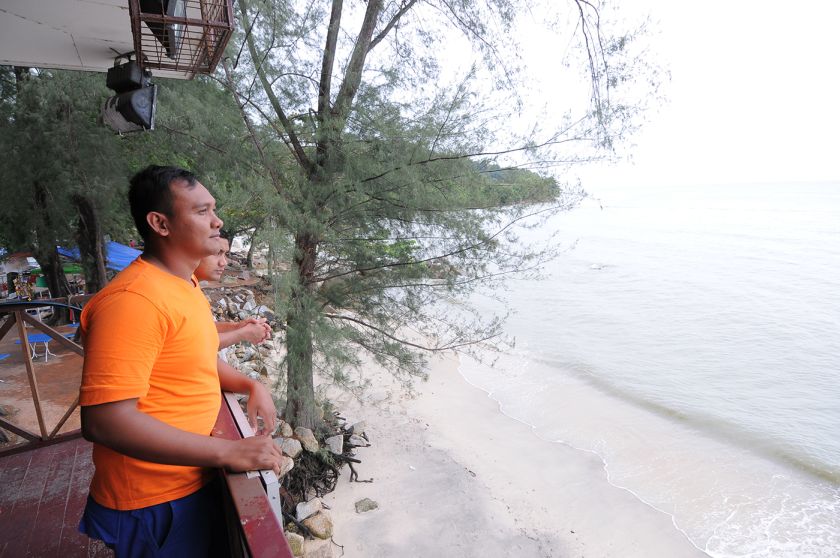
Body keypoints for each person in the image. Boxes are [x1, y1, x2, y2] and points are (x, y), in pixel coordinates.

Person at [78, 166, 282, 557]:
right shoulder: (133, 302)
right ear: (161, 223)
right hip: (153, 499)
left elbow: (192, 358)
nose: (218, 221)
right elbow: (104, 421)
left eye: (214, 210)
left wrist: (251, 384)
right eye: (202, 211)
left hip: (186, 479)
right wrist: (227, 451)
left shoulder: (183, 284)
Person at [194, 236, 271, 351]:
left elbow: (202, 330)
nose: (224, 262)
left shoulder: (192, 286)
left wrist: (237, 327)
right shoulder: (173, 294)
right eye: (217, 253)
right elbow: (195, 346)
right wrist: (242, 334)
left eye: (225, 254)